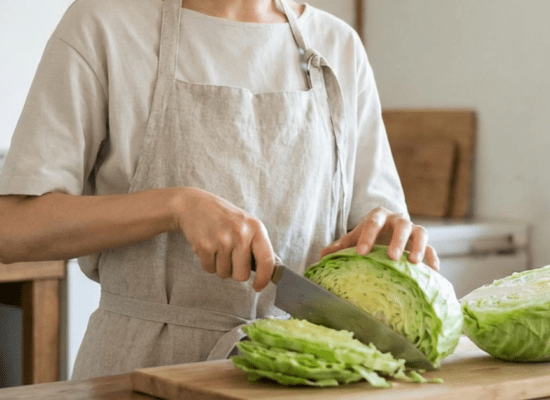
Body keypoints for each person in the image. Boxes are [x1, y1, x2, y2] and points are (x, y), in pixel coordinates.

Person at [0, 0, 439, 380]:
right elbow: (13, 228)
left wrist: (388, 240)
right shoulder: (104, 24)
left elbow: (376, 224)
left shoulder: (338, 45)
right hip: (143, 374)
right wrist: (175, 206)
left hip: (306, 371)